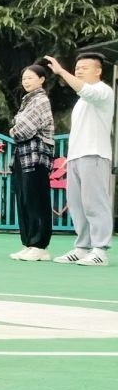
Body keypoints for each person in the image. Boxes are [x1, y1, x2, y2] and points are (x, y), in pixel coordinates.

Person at [47, 51, 113, 266]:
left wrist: (61, 71)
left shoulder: (103, 91)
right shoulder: (81, 102)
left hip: (94, 155)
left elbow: (85, 90)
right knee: (76, 205)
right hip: (76, 157)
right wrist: (69, 157)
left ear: (98, 71)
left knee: (95, 203)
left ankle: (100, 250)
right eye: (77, 67)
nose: (79, 70)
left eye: (85, 67)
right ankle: (82, 247)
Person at [8, 65, 57, 261]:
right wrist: (16, 128)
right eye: (24, 78)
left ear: (42, 79)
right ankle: (29, 243)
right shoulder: (27, 102)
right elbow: (21, 127)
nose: (26, 81)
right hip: (23, 155)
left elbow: (22, 129)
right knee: (24, 199)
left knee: (37, 200)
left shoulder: (40, 100)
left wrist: (13, 130)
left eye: (30, 78)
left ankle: (40, 245)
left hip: (36, 157)